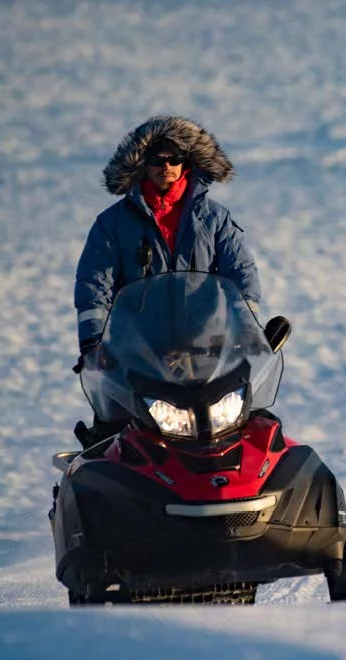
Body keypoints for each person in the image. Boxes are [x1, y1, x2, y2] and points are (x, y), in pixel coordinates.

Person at [72, 115, 263, 447]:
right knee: (110, 438)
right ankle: (93, 476)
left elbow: (241, 274)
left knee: (254, 424)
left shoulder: (214, 218)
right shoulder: (112, 224)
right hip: (137, 354)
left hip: (209, 352)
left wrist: (248, 330)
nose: (167, 167)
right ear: (142, 164)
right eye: (157, 160)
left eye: (175, 159)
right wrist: (94, 344)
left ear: (187, 163)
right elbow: (94, 286)